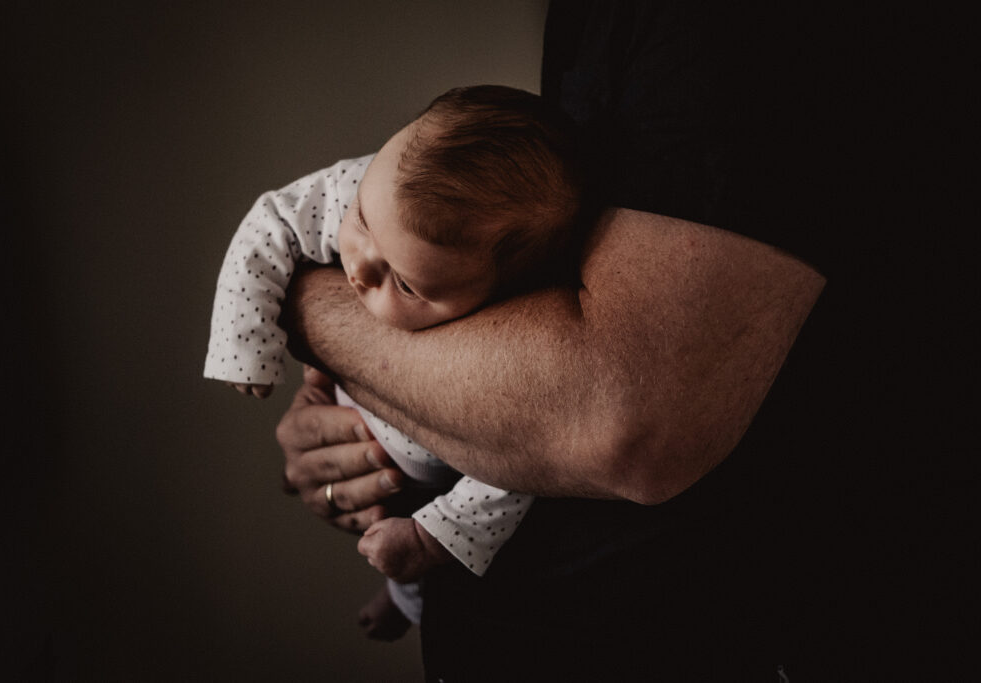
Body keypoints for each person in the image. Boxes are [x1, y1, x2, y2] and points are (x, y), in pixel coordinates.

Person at [273, 1, 878, 680]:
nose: (357, 270)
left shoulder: (726, 32)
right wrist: (345, 414)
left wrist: (306, 310)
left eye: (407, 285)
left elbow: (621, 421)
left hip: (675, 643)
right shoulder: (585, 24)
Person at [205, 85, 587, 638]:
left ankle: (407, 597)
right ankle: (405, 595)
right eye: (361, 222)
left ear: (500, 298)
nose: (358, 268)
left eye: (404, 283)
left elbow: (517, 468)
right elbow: (275, 220)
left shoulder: (517, 332)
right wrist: (243, 340)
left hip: (441, 474)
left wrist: (434, 538)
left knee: (407, 545)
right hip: (355, 416)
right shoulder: (376, 189)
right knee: (384, 529)